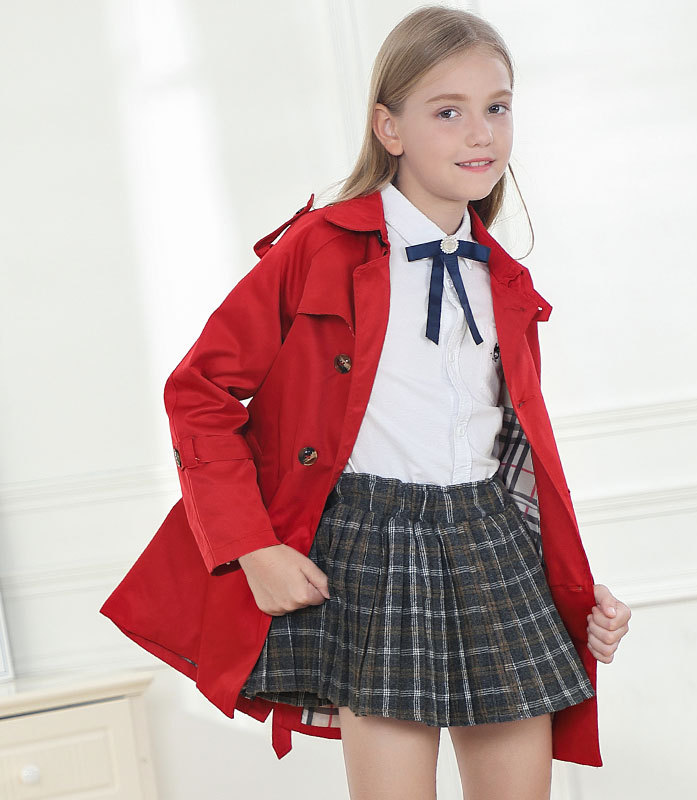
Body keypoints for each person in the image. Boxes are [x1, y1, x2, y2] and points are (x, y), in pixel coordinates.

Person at [101, 5, 631, 799]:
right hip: (375, 549)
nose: (480, 133)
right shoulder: (318, 248)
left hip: (492, 544)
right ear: (389, 128)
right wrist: (254, 548)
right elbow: (199, 393)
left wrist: (576, 593)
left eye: (497, 107)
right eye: (447, 112)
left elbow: (511, 456)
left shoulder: (505, 281)